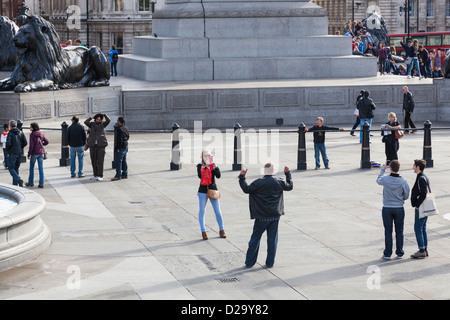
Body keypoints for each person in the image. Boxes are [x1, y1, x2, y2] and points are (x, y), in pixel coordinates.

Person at [238, 163, 293, 268]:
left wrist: (242, 177)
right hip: (275, 215)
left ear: (264, 171)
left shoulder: (258, 183)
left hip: (261, 216)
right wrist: (288, 174)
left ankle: (250, 262)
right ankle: (270, 262)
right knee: (272, 240)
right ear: (273, 170)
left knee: (255, 239)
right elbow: (289, 186)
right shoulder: (279, 182)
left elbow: (247, 189)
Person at [376, 160, 410, 260]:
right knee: (399, 231)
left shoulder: (385, 179)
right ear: (398, 169)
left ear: (390, 168)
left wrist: (383, 168)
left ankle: (387, 253)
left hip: (387, 207)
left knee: (388, 231)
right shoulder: (403, 181)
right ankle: (399, 252)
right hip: (399, 207)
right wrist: (400, 199)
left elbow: (378, 180)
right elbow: (407, 195)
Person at [197, 150, 226, 240]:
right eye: (205, 155)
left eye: (208, 155)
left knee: (218, 211)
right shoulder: (199, 166)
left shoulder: (213, 165)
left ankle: (222, 230)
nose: (207, 157)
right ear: (202, 157)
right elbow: (200, 176)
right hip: (202, 190)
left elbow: (218, 176)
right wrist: (205, 167)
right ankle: (203, 231)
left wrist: (215, 167)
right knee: (202, 211)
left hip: (212, 190)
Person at [410, 159, 430, 259]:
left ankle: (421, 250)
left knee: (418, 228)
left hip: (421, 207)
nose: (413, 167)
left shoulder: (421, 178)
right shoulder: (424, 177)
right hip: (425, 207)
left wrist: (417, 205)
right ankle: (425, 249)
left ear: (418, 167)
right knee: (423, 228)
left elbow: (423, 193)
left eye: (414, 165)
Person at [84, 113, 111, 181]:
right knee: (93, 160)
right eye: (96, 119)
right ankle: (95, 174)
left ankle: (100, 175)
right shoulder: (92, 124)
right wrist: (91, 117)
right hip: (93, 145)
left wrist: (105, 115)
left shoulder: (103, 125)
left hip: (101, 145)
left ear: (101, 120)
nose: (97, 120)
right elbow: (86, 122)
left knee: (100, 161)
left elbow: (108, 120)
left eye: (99, 119)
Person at [26, 122, 49, 188]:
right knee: (41, 168)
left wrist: (29, 154)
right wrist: (42, 144)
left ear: (33, 128)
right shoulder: (40, 133)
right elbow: (47, 141)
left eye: (30, 127)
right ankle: (41, 183)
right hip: (41, 153)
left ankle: (31, 182)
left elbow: (31, 145)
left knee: (31, 167)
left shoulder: (32, 135)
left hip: (34, 153)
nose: (29, 128)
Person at [5, 120, 27, 187]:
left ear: (10, 126)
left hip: (12, 153)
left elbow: (8, 144)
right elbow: (25, 142)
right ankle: (15, 185)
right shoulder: (20, 132)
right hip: (19, 153)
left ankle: (18, 179)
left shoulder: (10, 133)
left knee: (11, 168)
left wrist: (8, 150)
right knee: (16, 168)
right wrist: (20, 148)